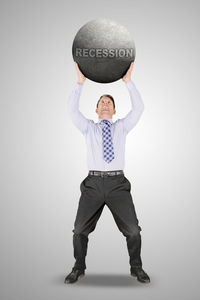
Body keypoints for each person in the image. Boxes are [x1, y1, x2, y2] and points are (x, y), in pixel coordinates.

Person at [64, 61, 150, 284]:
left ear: (114, 110)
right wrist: (80, 83)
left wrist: (128, 82)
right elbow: (72, 109)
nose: (105, 104)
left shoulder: (122, 126)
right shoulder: (88, 128)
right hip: (93, 184)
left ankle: (136, 267)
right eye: (102, 102)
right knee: (79, 231)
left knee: (133, 231)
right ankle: (78, 267)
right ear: (96, 109)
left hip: (117, 184)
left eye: (109, 102)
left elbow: (139, 108)